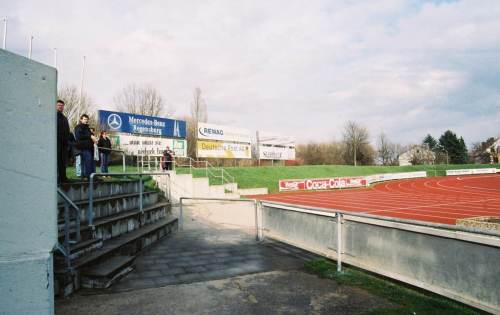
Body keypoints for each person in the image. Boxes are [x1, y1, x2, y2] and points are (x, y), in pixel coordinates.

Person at [74, 114, 96, 179]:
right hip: (83, 147)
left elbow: (91, 136)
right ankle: (89, 177)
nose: (86, 121)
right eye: (84, 119)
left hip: (89, 148)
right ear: (81, 119)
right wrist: (90, 136)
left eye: (87, 119)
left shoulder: (87, 128)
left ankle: (90, 176)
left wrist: (94, 139)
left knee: (90, 162)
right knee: (87, 162)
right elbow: (79, 137)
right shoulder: (78, 127)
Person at [56, 100, 70, 183]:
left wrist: (67, 141)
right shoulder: (53, 117)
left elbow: (67, 130)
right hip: (56, 142)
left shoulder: (64, 118)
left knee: (62, 161)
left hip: (64, 143)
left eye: (62, 105)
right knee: (56, 160)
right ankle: (57, 178)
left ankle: (63, 177)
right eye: (59, 105)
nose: (60, 107)